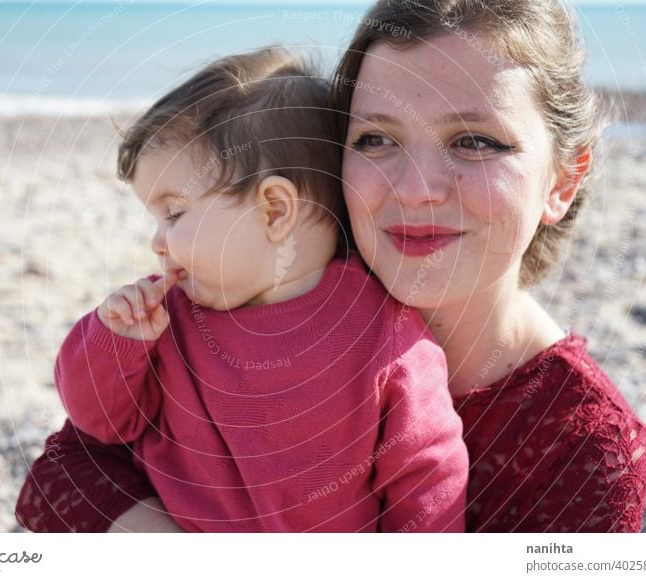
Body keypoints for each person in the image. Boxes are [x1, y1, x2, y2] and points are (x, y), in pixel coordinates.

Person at [16, 0, 646, 533]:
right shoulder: (270, 289)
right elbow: (63, 473)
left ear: (564, 180)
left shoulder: (584, 451)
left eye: (475, 141)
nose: (416, 187)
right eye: (376, 139)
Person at [47, 46, 468, 533]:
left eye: (175, 214)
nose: (157, 242)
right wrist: (115, 339)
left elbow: (428, 473)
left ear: (274, 210)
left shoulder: (382, 333)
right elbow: (100, 422)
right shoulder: (172, 322)